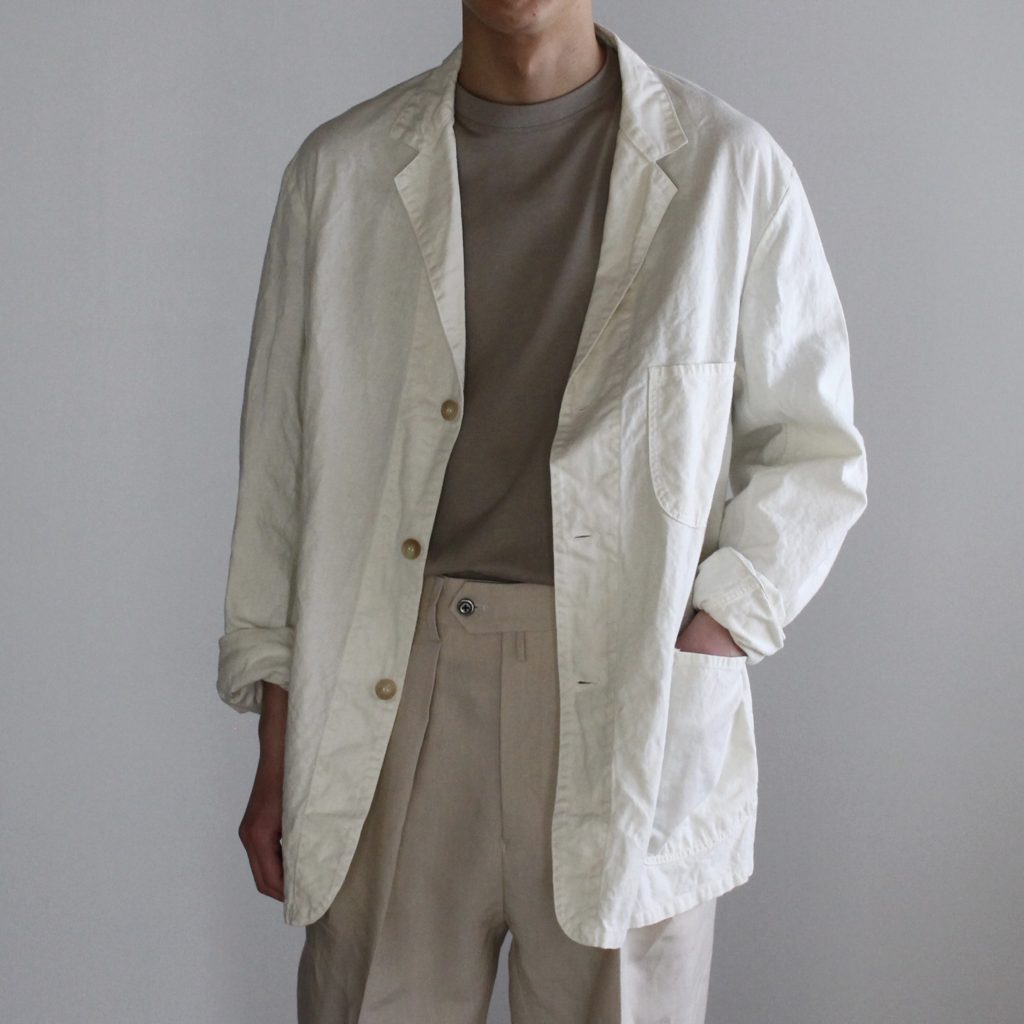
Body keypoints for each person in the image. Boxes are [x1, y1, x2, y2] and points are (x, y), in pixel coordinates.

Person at [217, 4, 868, 1022]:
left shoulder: (726, 168)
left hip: (632, 687)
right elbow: (278, 478)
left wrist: (717, 628)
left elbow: (814, 449)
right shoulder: (340, 174)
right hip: (393, 686)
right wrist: (280, 745)